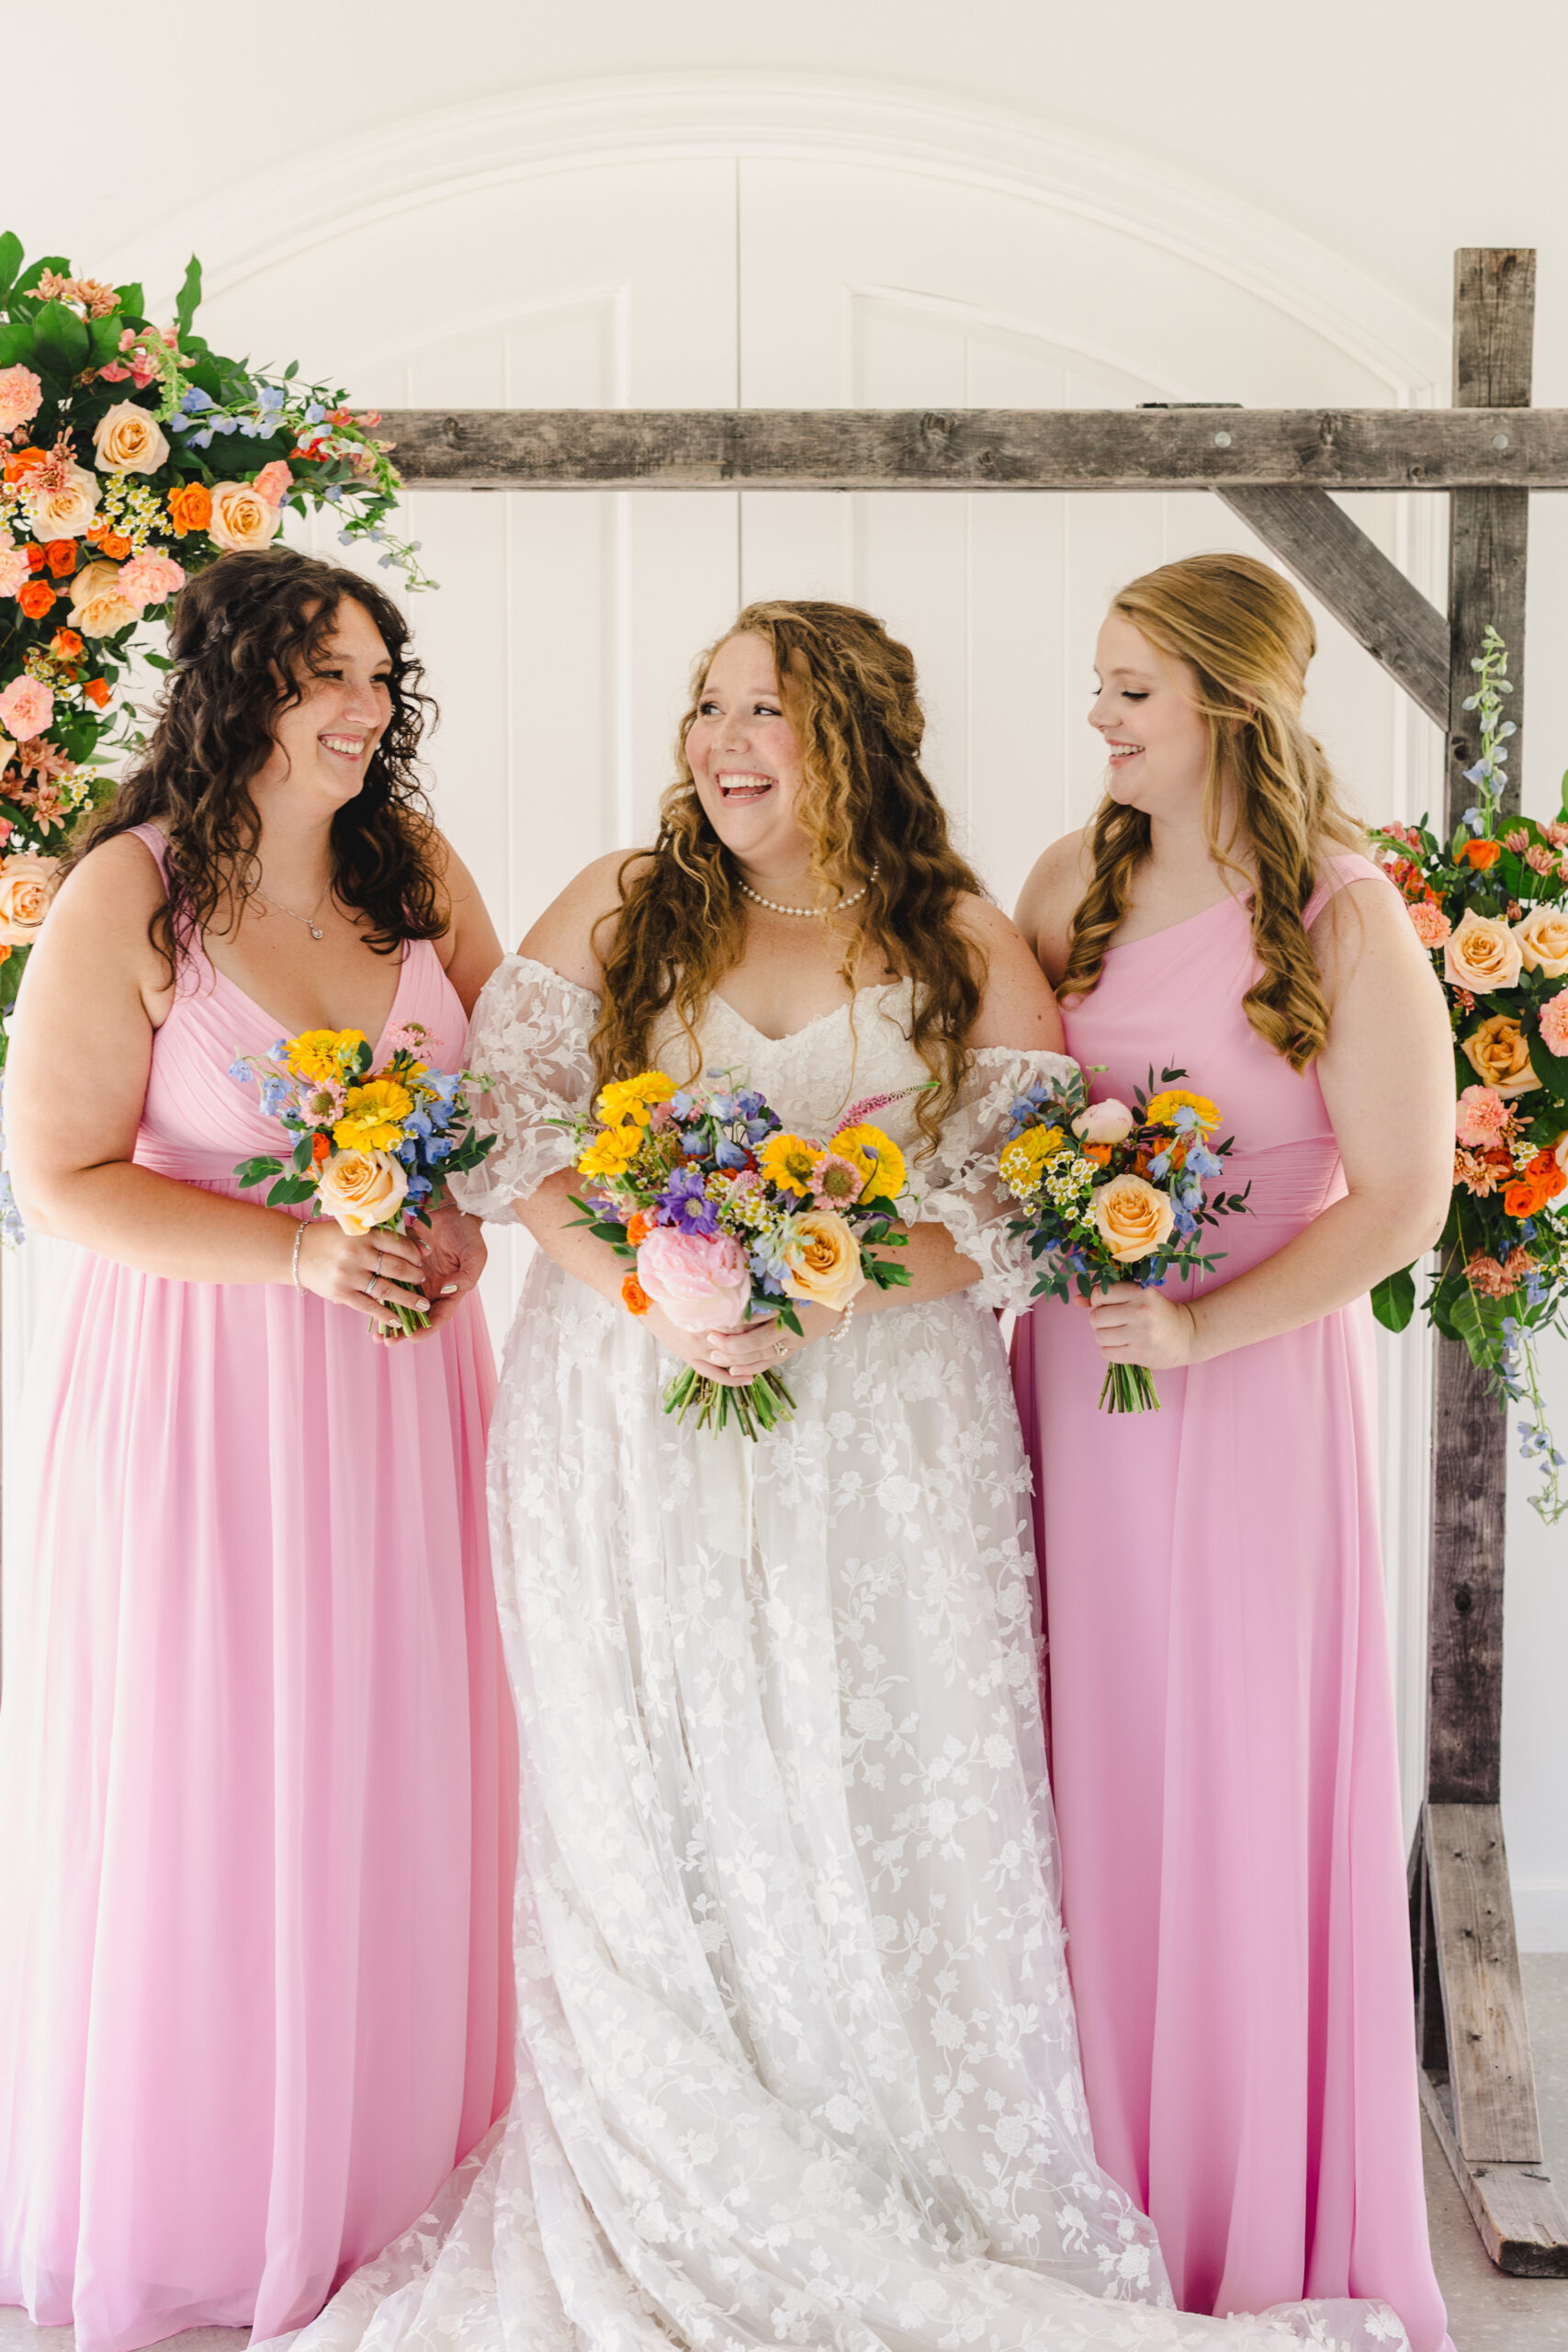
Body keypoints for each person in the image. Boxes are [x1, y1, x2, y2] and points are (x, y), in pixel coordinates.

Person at [270, 599, 1411, 2352]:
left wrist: (824, 1278)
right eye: (711, 707)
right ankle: (657, 2152)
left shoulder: (964, 933)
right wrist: (658, 1286)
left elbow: (1014, 1198)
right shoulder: (616, 905)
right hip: (622, 1425)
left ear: (859, 740)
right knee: (645, 1807)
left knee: (869, 1796)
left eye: (773, 716)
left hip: (884, 1439)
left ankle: (891, 2156)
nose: (727, 743)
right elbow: (513, 1137)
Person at [0, 549, 518, 2352]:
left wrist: (451, 1217)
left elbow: (505, 1100)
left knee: (399, 1758)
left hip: (395, 1397)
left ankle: (391, 2180)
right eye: (327, 675)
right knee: (212, 1779)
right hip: (200, 1405)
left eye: (381, 674)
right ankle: (209, 2197)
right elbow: (59, 1181)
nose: (364, 710)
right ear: (236, 685)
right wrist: (298, 1247)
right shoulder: (128, 901)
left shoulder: (417, 873)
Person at [1011, 552, 1454, 2350]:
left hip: (1247, 1394)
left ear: (1222, 702)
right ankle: (1084, 2190)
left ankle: (1250, 2207)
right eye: (1098, 684)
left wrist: (1201, 1319)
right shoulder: (1066, 882)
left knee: (1232, 1773)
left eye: (1127, 688)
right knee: (1080, 1773)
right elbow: (988, 1111)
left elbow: (1404, 1195)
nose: (1097, 716)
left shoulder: (1341, 915)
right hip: (1067, 1387)